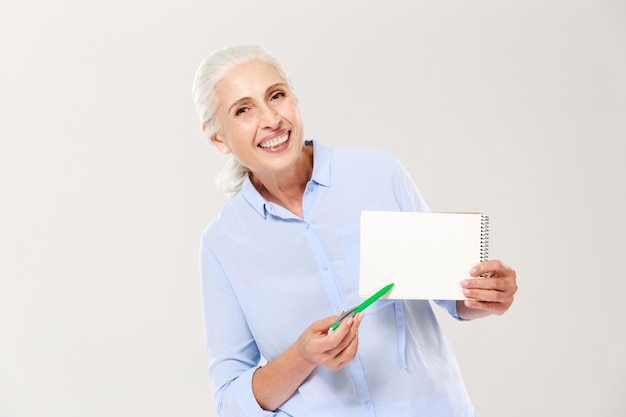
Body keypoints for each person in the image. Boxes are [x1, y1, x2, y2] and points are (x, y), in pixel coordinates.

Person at [192, 44, 518, 417]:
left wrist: (487, 294)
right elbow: (231, 401)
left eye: (277, 96)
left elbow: (452, 294)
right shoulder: (221, 245)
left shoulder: (378, 173)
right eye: (244, 110)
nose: (271, 120)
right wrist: (302, 357)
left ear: (294, 99)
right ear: (218, 138)